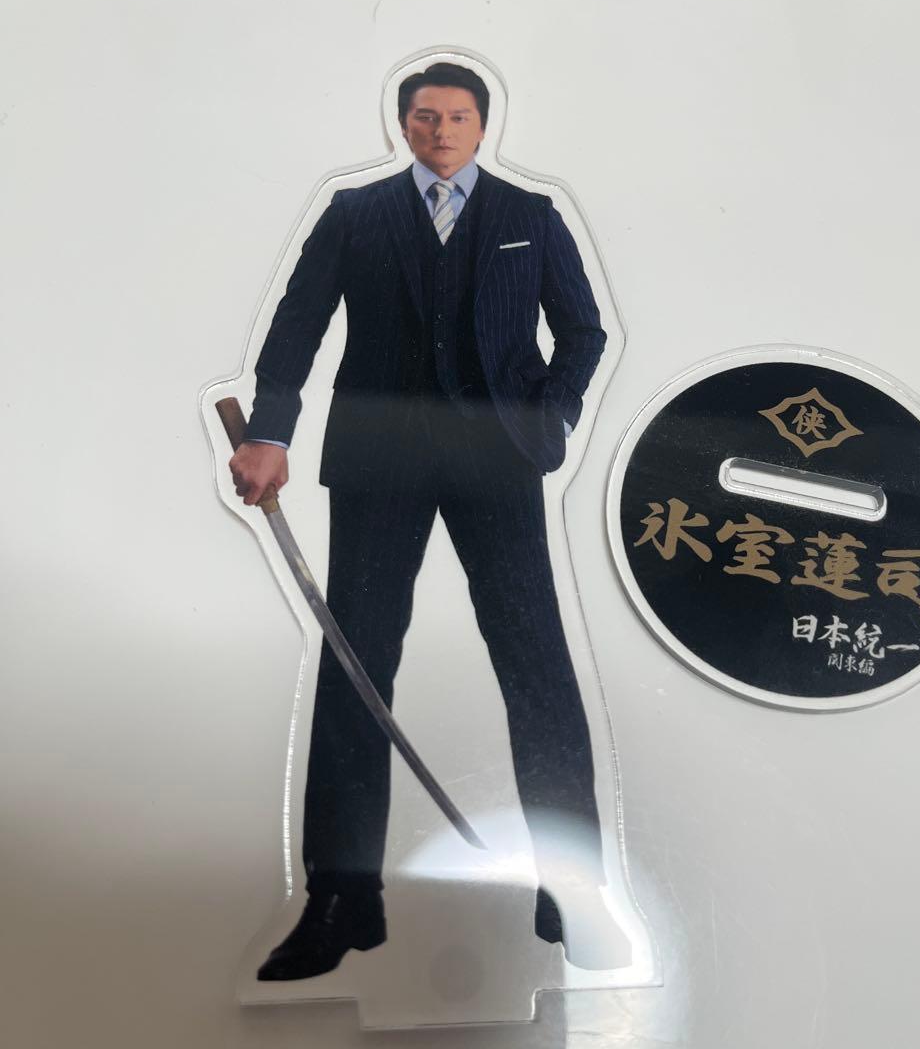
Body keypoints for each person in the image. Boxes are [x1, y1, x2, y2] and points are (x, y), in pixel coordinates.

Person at [229, 62, 626, 980]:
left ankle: (574, 891)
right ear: (403, 125)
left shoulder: (530, 215)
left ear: (482, 125)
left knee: (537, 665)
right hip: (379, 461)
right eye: (424, 116)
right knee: (356, 664)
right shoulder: (356, 213)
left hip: (498, 460)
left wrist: (547, 415)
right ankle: (341, 899)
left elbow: (584, 332)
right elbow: (297, 323)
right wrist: (270, 434)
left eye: (457, 116)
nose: (441, 130)